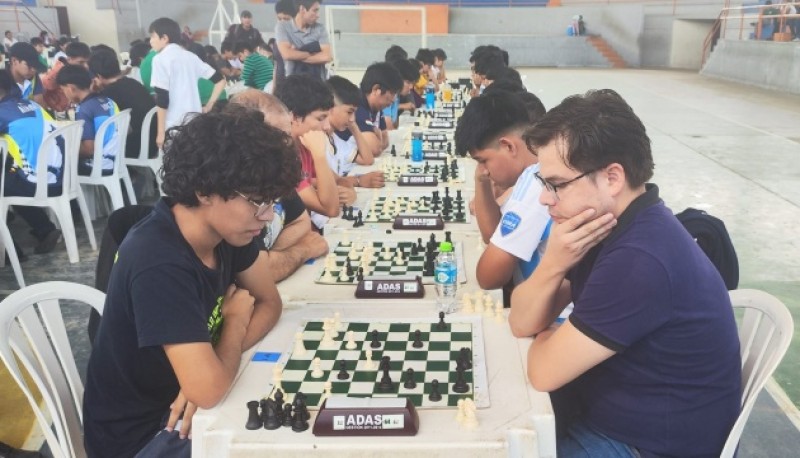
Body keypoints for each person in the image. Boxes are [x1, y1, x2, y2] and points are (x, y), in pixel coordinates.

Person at [511, 89, 741, 456]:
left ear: (613, 177)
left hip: (643, 446)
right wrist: (553, 262)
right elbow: (521, 322)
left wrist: (550, 333)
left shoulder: (641, 258)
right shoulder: (609, 227)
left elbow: (542, 371)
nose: (544, 198)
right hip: (616, 420)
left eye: (556, 184)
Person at [82, 108, 297, 458]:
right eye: (258, 202)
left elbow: (270, 302)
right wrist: (235, 324)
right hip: (145, 436)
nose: (269, 215)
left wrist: (209, 367)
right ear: (204, 191)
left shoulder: (230, 231)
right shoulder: (159, 260)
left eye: (271, 202)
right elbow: (209, 391)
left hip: (190, 406)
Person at [226, 89, 329, 281]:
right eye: (277, 136)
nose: (288, 145)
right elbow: (262, 271)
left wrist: (270, 255)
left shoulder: (275, 171)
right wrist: (303, 249)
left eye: (287, 135)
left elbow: (302, 222)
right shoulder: (236, 190)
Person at [455, 90, 550, 291]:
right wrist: (480, 181)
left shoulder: (536, 184)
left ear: (508, 146)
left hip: (557, 318)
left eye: (483, 160)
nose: (483, 170)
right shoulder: (545, 163)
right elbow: (492, 236)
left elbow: (488, 278)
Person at [0, 69, 62, 255]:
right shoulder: (31, 105)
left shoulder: (2, 112)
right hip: (60, 176)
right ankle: (42, 229)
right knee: (10, 174)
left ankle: (11, 253)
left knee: (6, 181)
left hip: (38, 182)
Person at [148, 17, 225, 148]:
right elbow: (220, 80)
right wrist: (209, 105)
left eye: (153, 37)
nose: (151, 41)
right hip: (195, 124)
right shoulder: (190, 57)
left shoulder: (159, 59)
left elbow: (162, 99)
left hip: (174, 126)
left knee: (175, 166)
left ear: (164, 38)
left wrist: (160, 132)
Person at [274, 74, 340, 222]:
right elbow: (330, 208)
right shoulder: (281, 156)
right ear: (295, 117)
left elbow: (323, 185)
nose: (327, 126)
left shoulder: (303, 145)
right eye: (320, 118)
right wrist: (320, 156)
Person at [89, 49, 157, 161]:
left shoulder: (108, 95)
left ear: (98, 76)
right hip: (155, 140)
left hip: (136, 147)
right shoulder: (134, 83)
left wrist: (93, 94)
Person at [56, 64, 120, 176]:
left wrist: (65, 147)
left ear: (70, 88)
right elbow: (127, 129)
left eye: (63, 90)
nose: (64, 94)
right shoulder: (109, 101)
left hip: (100, 166)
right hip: (118, 159)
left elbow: (89, 150)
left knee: (61, 164)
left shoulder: (84, 109)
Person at [324, 75, 384, 192]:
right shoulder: (319, 141)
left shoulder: (334, 139)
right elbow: (323, 182)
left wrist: (354, 127)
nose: (352, 118)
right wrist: (359, 180)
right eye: (349, 112)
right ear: (330, 107)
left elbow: (367, 159)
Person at [354, 61, 403, 157]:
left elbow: (385, 142)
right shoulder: (357, 105)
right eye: (392, 93)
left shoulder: (376, 107)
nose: (393, 100)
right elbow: (375, 150)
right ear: (376, 89)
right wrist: (378, 138)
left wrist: (377, 136)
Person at [275, 0, 331, 80]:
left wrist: (296, 54)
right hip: (293, 83)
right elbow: (287, 54)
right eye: (315, 10)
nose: (318, 15)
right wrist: (314, 54)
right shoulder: (282, 27)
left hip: (318, 84)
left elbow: (326, 57)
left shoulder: (320, 28)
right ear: (302, 9)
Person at [41, 41, 91, 114]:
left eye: (87, 62)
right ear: (69, 59)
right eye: (81, 62)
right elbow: (44, 87)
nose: (86, 66)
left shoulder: (78, 69)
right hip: (60, 112)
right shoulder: (56, 73)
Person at [383, 58, 418, 130]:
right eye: (408, 83)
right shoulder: (386, 94)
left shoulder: (396, 96)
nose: (411, 87)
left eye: (412, 83)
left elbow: (394, 124)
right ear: (397, 79)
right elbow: (388, 128)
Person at [8, 42, 46, 108]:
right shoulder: (3, 82)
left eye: (35, 65)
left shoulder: (34, 77)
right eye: (29, 65)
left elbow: (40, 106)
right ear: (14, 61)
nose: (33, 70)